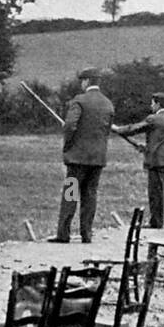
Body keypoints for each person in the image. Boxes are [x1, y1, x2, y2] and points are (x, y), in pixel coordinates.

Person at [48, 69, 114, 244]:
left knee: (70, 194)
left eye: (82, 81)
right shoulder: (108, 104)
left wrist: (68, 145)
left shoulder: (79, 101)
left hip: (77, 159)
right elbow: (106, 131)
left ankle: (63, 234)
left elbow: (70, 126)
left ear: (86, 82)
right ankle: (87, 234)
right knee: (90, 195)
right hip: (98, 158)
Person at [115, 92, 164, 229]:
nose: (151, 106)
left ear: (158, 104)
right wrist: (146, 147)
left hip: (155, 161)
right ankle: (157, 220)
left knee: (155, 193)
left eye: (152, 103)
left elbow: (133, 129)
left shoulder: (153, 119)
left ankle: (156, 222)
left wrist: (117, 129)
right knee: (158, 190)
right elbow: (162, 139)